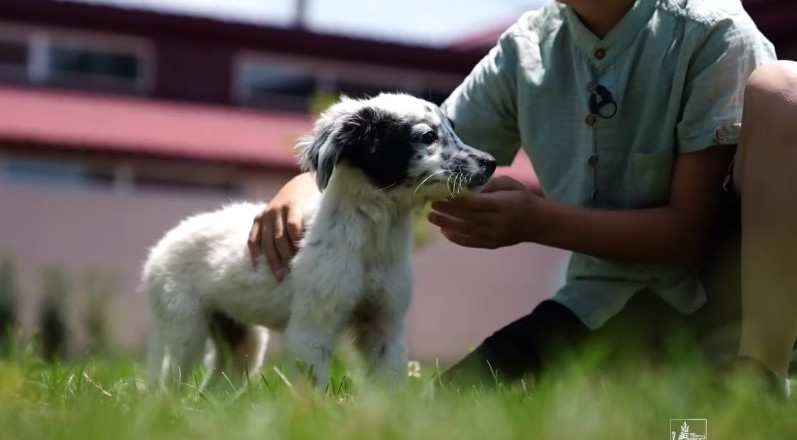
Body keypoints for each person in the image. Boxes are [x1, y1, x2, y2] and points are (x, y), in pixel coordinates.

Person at [248, 0, 795, 397]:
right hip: (594, 307)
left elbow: (685, 235)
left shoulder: (712, 32)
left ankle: (757, 387)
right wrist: (307, 180)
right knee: (442, 417)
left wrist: (536, 221)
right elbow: (415, 146)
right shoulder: (528, 46)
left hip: (704, 315)